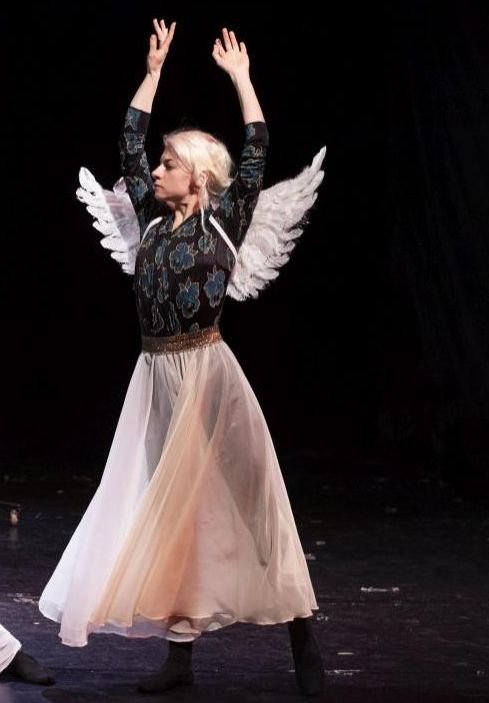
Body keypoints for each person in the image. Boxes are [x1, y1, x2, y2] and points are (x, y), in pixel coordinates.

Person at [39, 19, 324, 697]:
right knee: (173, 516)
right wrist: (153, 71)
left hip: (210, 374)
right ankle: (179, 659)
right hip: (157, 375)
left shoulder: (224, 224)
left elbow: (255, 150)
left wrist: (242, 78)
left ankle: (303, 634)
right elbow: (128, 141)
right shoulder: (150, 221)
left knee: (258, 503)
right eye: (160, 164)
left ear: (196, 179)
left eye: (169, 164)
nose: (155, 171)